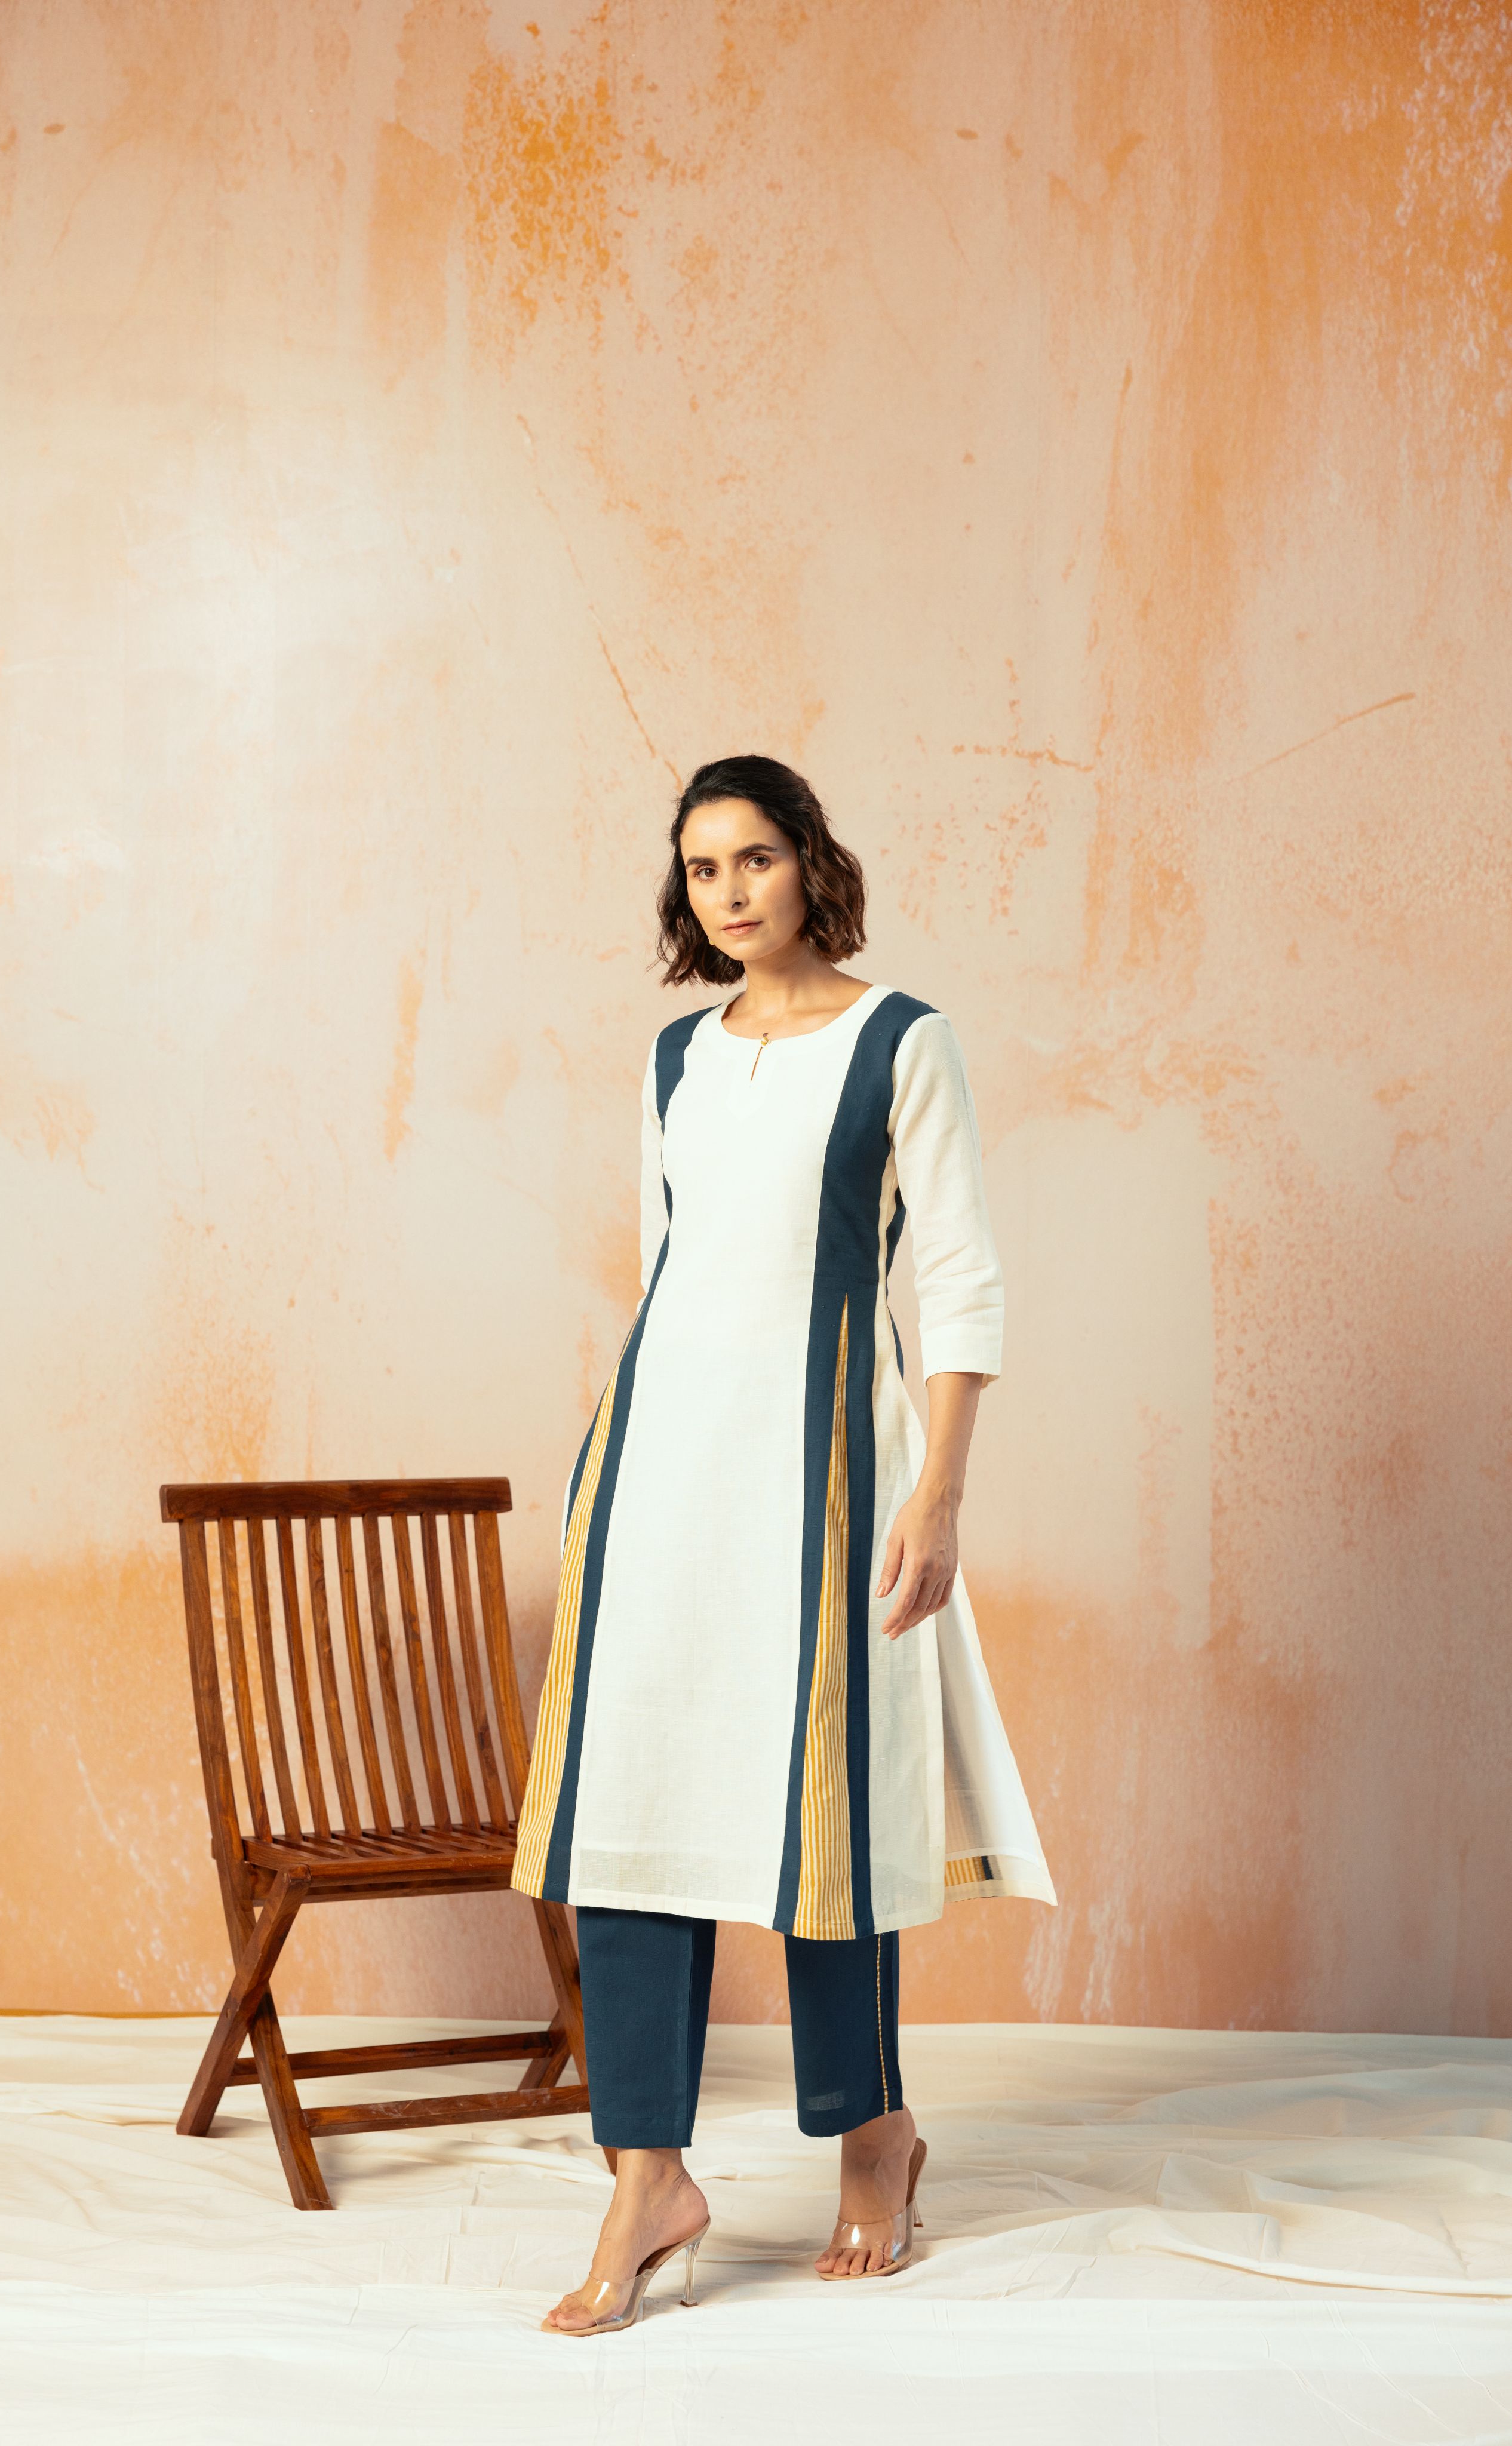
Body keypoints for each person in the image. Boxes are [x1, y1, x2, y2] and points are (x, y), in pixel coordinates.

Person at [512, 755, 1055, 2336]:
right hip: (657, 1469)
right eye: (702, 868)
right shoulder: (677, 1055)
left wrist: (938, 1492)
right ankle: (646, 2175)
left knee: (830, 1803)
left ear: (811, 863)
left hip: (830, 1471)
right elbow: (664, 1263)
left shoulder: (902, 1042)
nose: (730, 891)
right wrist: (610, 1472)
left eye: (754, 857)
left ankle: (873, 2136)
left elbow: (958, 1276)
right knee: (630, 1801)